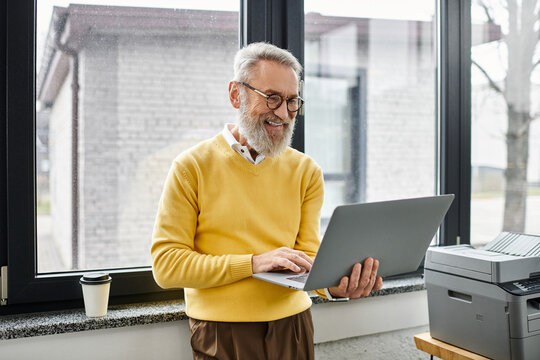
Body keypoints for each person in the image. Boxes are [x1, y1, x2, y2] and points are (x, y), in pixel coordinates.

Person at [151, 42, 383, 360]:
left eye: (291, 102)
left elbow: (306, 256)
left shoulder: (306, 171)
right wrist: (253, 263)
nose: (283, 114)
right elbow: (167, 265)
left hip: (295, 326)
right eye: (272, 98)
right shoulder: (191, 167)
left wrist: (332, 286)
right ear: (236, 94)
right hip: (222, 331)